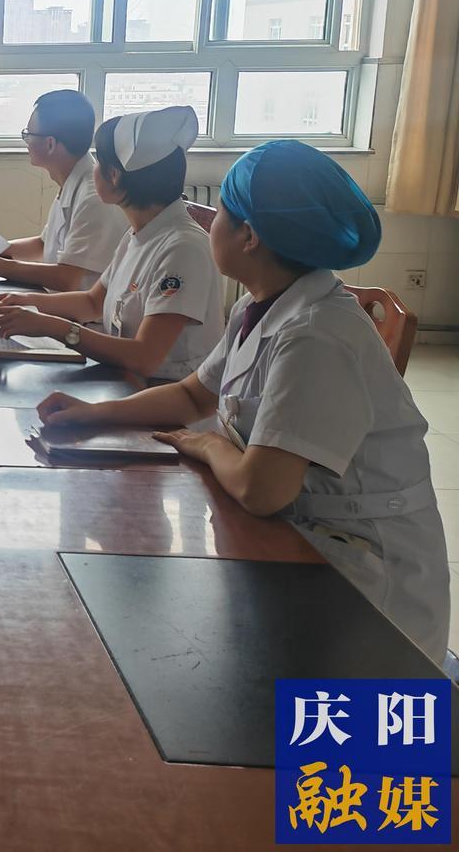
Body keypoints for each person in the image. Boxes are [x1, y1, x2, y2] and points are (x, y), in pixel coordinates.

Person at [38, 141, 448, 662]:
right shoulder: (263, 306)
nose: (209, 222)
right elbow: (192, 395)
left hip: (365, 581)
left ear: (249, 236)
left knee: (298, 716)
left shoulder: (315, 335)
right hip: (307, 540)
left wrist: (211, 446)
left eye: (222, 213)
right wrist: (92, 414)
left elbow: (262, 489)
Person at [0, 106, 223, 381]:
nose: (92, 170)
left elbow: (145, 357)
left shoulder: (182, 249)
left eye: (98, 161)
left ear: (114, 175)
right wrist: (25, 302)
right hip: (125, 379)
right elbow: (92, 301)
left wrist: (53, 327)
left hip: (162, 395)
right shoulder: (140, 233)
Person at [0, 89, 126, 290]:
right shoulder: (72, 180)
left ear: (50, 144)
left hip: (76, 309)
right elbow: (43, 245)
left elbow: (67, 278)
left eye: (28, 134)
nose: (26, 142)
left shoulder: (93, 198)